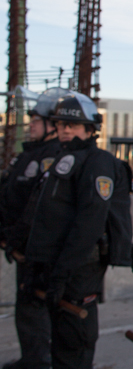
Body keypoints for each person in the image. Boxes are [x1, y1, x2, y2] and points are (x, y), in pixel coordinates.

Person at [23, 91, 131, 369]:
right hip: (58, 267)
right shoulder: (63, 159)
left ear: (90, 129)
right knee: (61, 344)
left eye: (71, 125)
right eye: (60, 125)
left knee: (74, 344)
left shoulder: (97, 161)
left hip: (79, 271)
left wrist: (62, 272)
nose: (64, 130)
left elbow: (89, 223)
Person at [0, 88, 66, 369]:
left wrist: (18, 242)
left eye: (36, 121)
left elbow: (39, 207)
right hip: (17, 244)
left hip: (31, 248)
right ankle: (33, 358)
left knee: (33, 305)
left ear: (51, 125)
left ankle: (38, 361)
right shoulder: (29, 154)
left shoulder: (51, 156)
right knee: (26, 305)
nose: (31, 125)